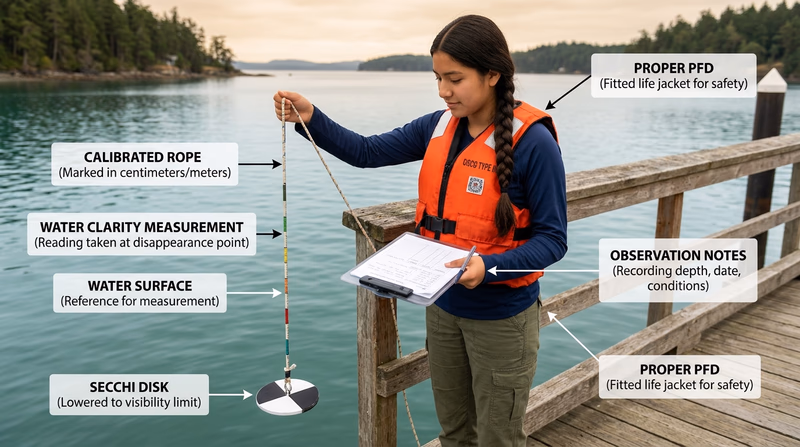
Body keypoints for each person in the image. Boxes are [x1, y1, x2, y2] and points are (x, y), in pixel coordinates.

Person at [274, 14, 567, 447]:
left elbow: (552, 241)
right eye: (438, 78)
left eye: (455, 79)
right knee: (454, 433)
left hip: (502, 319)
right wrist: (311, 118)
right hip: (443, 308)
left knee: (499, 438)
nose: (443, 90)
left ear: (492, 74)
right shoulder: (438, 125)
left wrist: (486, 268)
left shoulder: (534, 142)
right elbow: (366, 152)